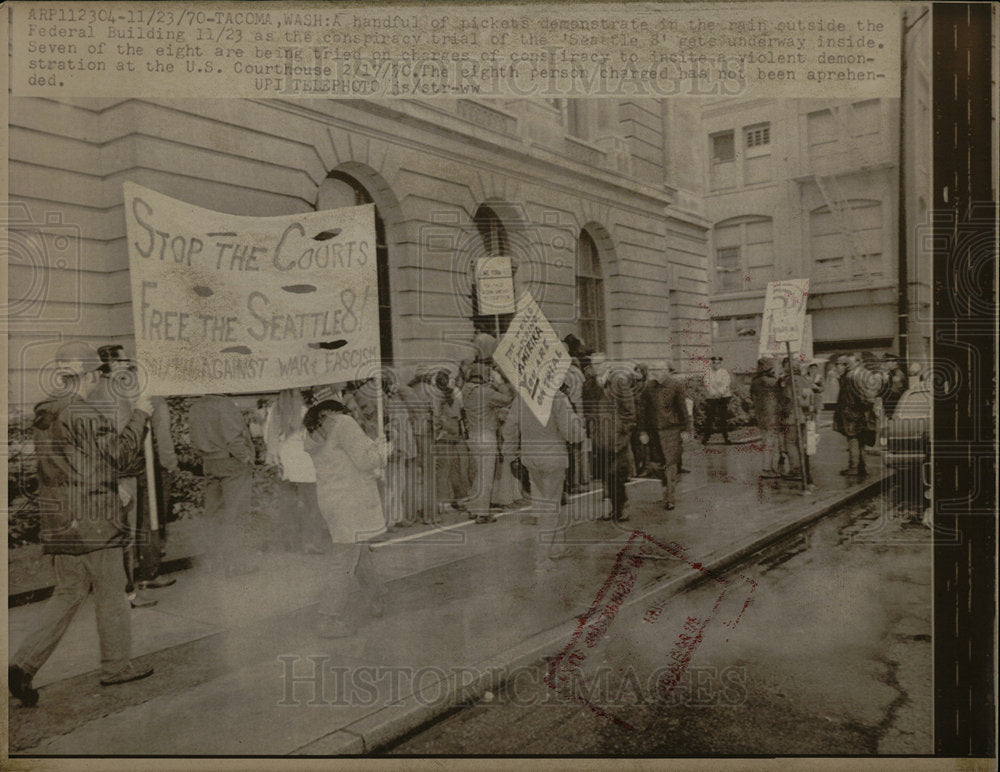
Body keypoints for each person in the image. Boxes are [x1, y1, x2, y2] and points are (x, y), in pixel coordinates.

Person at [9, 342, 155, 706]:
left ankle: (24, 664)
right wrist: (140, 415)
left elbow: (77, 462)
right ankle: (116, 667)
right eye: (96, 375)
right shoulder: (84, 412)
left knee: (68, 592)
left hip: (61, 519)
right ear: (89, 375)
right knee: (111, 594)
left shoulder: (47, 412)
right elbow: (120, 455)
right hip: (94, 520)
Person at [303, 400, 389, 638]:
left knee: (356, 549)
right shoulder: (343, 423)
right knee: (345, 557)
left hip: (331, 499)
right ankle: (328, 618)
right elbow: (366, 461)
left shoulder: (312, 428)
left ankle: (375, 595)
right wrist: (380, 450)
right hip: (351, 499)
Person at [501, 381, 584, 559]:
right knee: (552, 503)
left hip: (530, 458)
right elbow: (572, 433)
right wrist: (579, 427)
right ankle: (549, 549)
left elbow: (510, 427)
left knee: (543, 500)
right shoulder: (557, 398)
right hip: (553, 458)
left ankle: (557, 544)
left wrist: (510, 453)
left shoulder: (522, 398)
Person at [188, 394, 259, 576]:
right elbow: (233, 438)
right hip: (231, 463)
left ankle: (214, 563)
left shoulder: (196, 406)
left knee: (214, 514)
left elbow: (194, 440)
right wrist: (246, 458)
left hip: (210, 462)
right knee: (237, 514)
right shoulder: (223, 404)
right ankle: (237, 563)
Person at [263, 389, 328, 553]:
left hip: (286, 464)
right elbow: (314, 438)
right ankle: (309, 542)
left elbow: (267, 437)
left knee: (288, 505)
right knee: (310, 505)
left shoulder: (274, 412)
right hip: (305, 464)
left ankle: (290, 542)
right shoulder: (303, 412)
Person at [462, 362, 515, 523]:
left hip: (473, 435)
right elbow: (508, 399)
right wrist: (500, 383)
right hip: (486, 435)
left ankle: (473, 507)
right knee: (486, 475)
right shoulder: (486, 392)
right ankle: (482, 512)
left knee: (478, 473)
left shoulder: (466, 390)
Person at [587, 360, 637, 522]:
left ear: (607, 365)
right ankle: (613, 508)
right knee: (606, 475)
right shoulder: (590, 385)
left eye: (599, 363)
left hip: (616, 438)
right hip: (600, 438)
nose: (596, 366)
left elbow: (629, 411)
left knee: (617, 474)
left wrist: (624, 432)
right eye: (593, 364)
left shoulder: (619, 382)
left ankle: (622, 507)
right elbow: (587, 410)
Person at [640, 361, 692, 511]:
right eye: (652, 369)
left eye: (657, 369)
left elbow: (682, 409)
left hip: (671, 430)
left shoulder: (675, 386)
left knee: (670, 463)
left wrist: (686, 430)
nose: (654, 372)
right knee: (656, 464)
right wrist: (643, 431)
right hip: (653, 431)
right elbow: (643, 412)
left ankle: (670, 497)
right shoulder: (648, 387)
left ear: (665, 371)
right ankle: (666, 483)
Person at [750, 358, 782, 477]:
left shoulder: (755, 381)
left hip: (760, 415)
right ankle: (767, 468)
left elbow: (752, 397)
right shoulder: (772, 382)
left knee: (765, 440)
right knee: (770, 441)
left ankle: (768, 466)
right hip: (772, 414)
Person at [701, 355, 732, 445]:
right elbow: (707, 384)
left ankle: (726, 438)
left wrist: (721, 393)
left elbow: (726, 383)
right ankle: (706, 438)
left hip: (723, 397)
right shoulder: (708, 372)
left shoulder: (724, 372)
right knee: (710, 418)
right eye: (714, 363)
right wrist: (714, 393)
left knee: (723, 418)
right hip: (712, 397)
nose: (716, 365)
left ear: (721, 363)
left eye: (718, 363)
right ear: (712, 363)